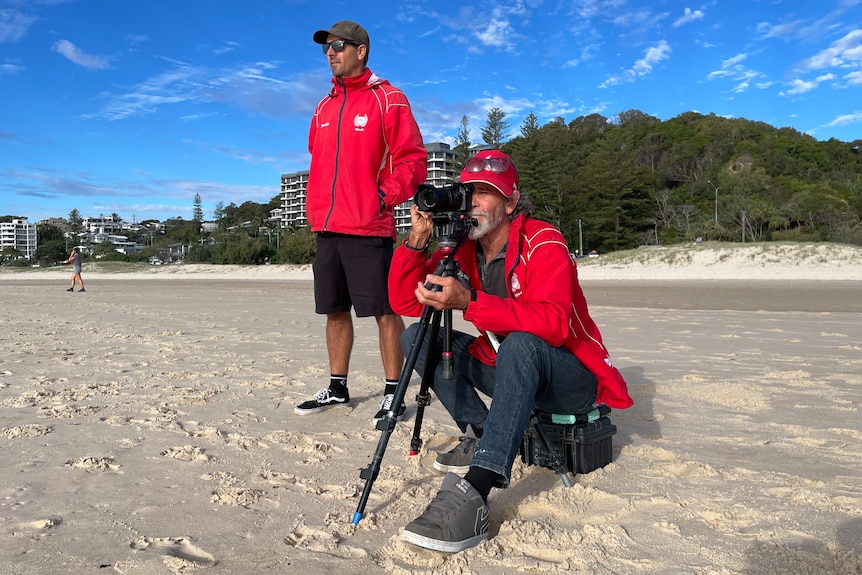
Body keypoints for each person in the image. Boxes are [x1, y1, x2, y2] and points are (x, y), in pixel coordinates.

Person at [388, 150, 634, 553]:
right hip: (509, 366)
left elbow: (554, 324)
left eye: (486, 193)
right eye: (469, 191)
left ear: (511, 201)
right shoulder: (465, 248)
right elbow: (405, 302)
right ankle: (482, 431)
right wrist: (417, 240)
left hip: (570, 376)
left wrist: (468, 302)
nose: (474, 202)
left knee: (521, 342)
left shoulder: (543, 240)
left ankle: (479, 487)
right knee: (416, 336)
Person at [294, 20, 427, 422]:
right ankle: (337, 387)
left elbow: (413, 160)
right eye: (326, 48)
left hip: (368, 227)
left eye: (337, 46)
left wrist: (382, 196)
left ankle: (393, 392)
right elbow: (319, 160)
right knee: (335, 310)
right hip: (328, 227)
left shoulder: (389, 99)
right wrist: (315, 209)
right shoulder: (323, 107)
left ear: (361, 50)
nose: (330, 53)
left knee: (384, 310)